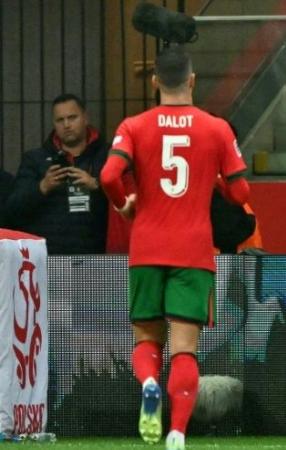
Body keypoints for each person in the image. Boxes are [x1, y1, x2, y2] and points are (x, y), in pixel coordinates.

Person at [100, 45, 249, 450]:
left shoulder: (134, 125)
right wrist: (217, 179)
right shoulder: (216, 128)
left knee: (147, 340)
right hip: (194, 251)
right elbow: (241, 193)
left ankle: (149, 383)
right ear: (192, 80)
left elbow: (109, 174)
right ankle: (178, 434)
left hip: (146, 247)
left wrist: (125, 204)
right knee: (185, 349)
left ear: (154, 83)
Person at [5, 93, 109, 253]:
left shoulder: (108, 155)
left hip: (96, 253)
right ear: (54, 123)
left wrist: (96, 185)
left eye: (72, 117)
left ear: (85, 118)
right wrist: (42, 187)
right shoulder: (34, 160)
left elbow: (129, 202)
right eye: (60, 120)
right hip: (49, 255)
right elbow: (12, 210)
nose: (66, 125)